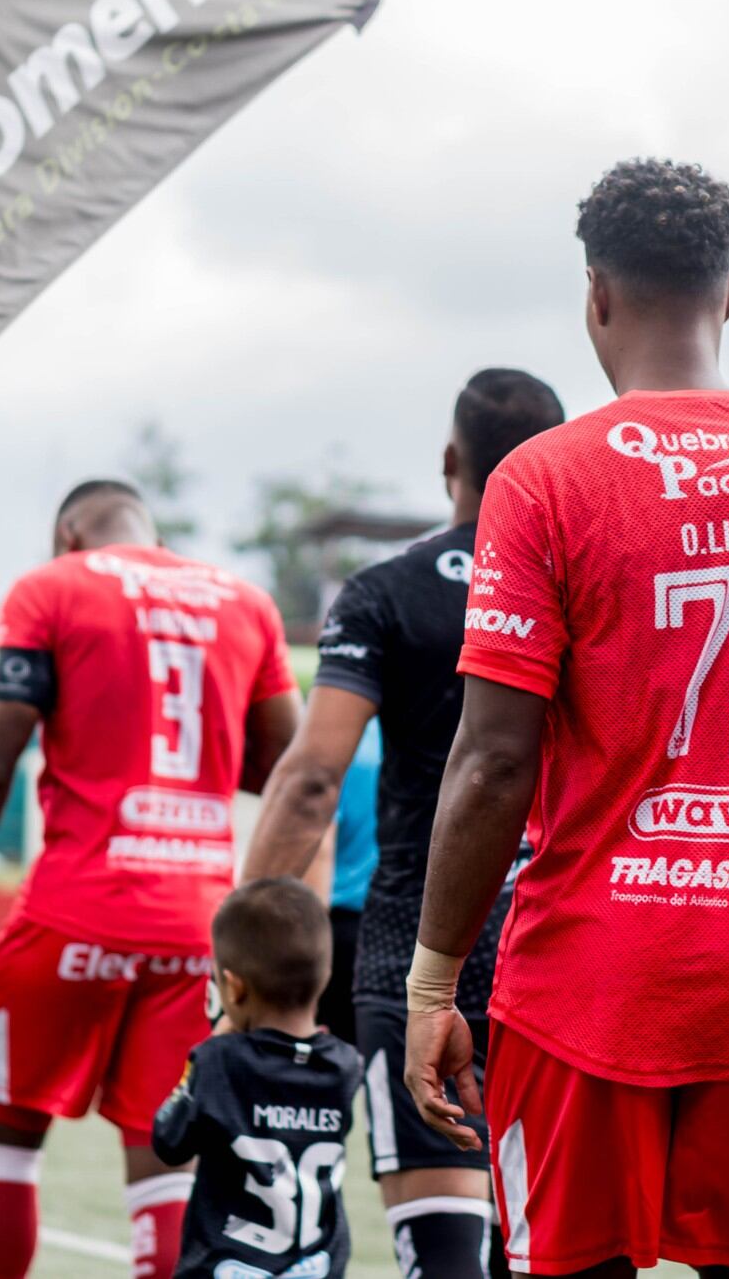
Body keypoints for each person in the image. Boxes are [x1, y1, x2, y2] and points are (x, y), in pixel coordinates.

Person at [401, 158, 729, 1278]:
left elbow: (492, 764)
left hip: (586, 988)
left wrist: (433, 983)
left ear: (595, 295)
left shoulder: (543, 479)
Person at [0, 480, 302, 1279]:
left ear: (67, 533)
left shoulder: (52, 587)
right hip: (196, 926)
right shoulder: (247, 603)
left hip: (73, 910)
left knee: (8, 1135)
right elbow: (290, 770)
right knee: (164, 1152)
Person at [240, 367, 565, 1277]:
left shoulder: (385, 589)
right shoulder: (588, 580)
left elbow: (311, 779)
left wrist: (243, 941)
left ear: (451, 460)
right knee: (549, 1235)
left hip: (414, 946)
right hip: (562, 937)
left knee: (444, 1242)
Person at [151, 878, 364, 1278]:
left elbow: (168, 1141)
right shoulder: (345, 1065)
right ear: (325, 976)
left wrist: (210, 1047)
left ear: (233, 988)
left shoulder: (219, 1059)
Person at [316, 718, 381, 1045]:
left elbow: (319, 846)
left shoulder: (337, 734)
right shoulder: (417, 732)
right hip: (399, 927)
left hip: (336, 929)